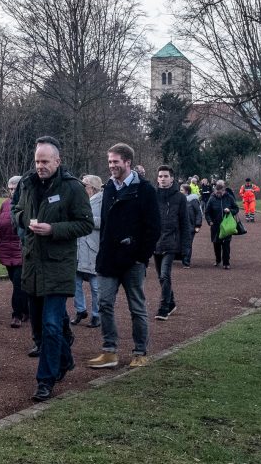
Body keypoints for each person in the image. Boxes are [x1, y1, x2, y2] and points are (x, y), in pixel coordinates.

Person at [12, 136, 93, 402]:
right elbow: (15, 210)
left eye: (45, 161)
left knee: (50, 325)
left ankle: (44, 381)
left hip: (58, 265)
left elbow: (85, 224)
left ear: (57, 161)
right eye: (37, 161)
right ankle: (65, 359)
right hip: (33, 264)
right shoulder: (26, 183)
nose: (40, 166)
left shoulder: (72, 188)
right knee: (38, 326)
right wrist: (24, 220)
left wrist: (53, 229)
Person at [88, 143, 160, 370]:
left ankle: (140, 352)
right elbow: (106, 225)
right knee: (104, 303)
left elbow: (154, 228)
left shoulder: (145, 190)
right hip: (108, 258)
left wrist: (141, 257)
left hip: (133, 260)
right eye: (110, 162)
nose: (111, 166)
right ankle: (109, 351)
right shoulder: (109, 188)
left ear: (127, 162)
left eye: (115, 162)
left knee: (136, 307)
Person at [153, 165, 192, 321]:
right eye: (160, 176)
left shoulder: (180, 198)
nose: (163, 179)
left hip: (171, 241)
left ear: (172, 178)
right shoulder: (153, 195)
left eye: (166, 176)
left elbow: (184, 222)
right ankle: (172, 302)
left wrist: (185, 247)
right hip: (155, 242)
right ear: (157, 179)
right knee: (160, 277)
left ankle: (163, 307)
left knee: (165, 275)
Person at [0, 175, 27, 328]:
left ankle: (17, 314)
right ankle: (26, 309)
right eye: (11, 188)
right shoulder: (5, 204)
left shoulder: (28, 203)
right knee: (17, 282)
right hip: (6, 249)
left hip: (21, 250)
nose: (13, 191)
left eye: (16, 188)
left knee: (18, 283)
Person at [71, 174, 103, 328]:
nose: (82, 187)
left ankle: (97, 314)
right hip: (77, 246)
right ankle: (80, 310)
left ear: (94, 188)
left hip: (94, 247)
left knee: (96, 286)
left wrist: (86, 220)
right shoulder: (78, 199)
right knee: (75, 283)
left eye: (85, 185)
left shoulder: (103, 201)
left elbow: (106, 221)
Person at [205, 180, 240, 269]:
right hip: (215, 226)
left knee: (226, 244)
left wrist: (230, 211)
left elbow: (236, 208)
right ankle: (218, 260)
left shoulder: (229, 197)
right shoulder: (212, 198)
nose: (218, 194)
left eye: (220, 192)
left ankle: (226, 263)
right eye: (217, 192)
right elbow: (207, 212)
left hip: (227, 225)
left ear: (224, 190)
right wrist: (209, 221)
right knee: (216, 244)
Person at [180, 183, 203, 268]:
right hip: (180, 226)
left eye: (181, 190)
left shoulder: (193, 201)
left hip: (190, 226)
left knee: (187, 243)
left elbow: (198, 213)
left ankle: (186, 262)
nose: (180, 191)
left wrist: (198, 225)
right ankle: (181, 258)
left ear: (186, 191)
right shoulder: (180, 200)